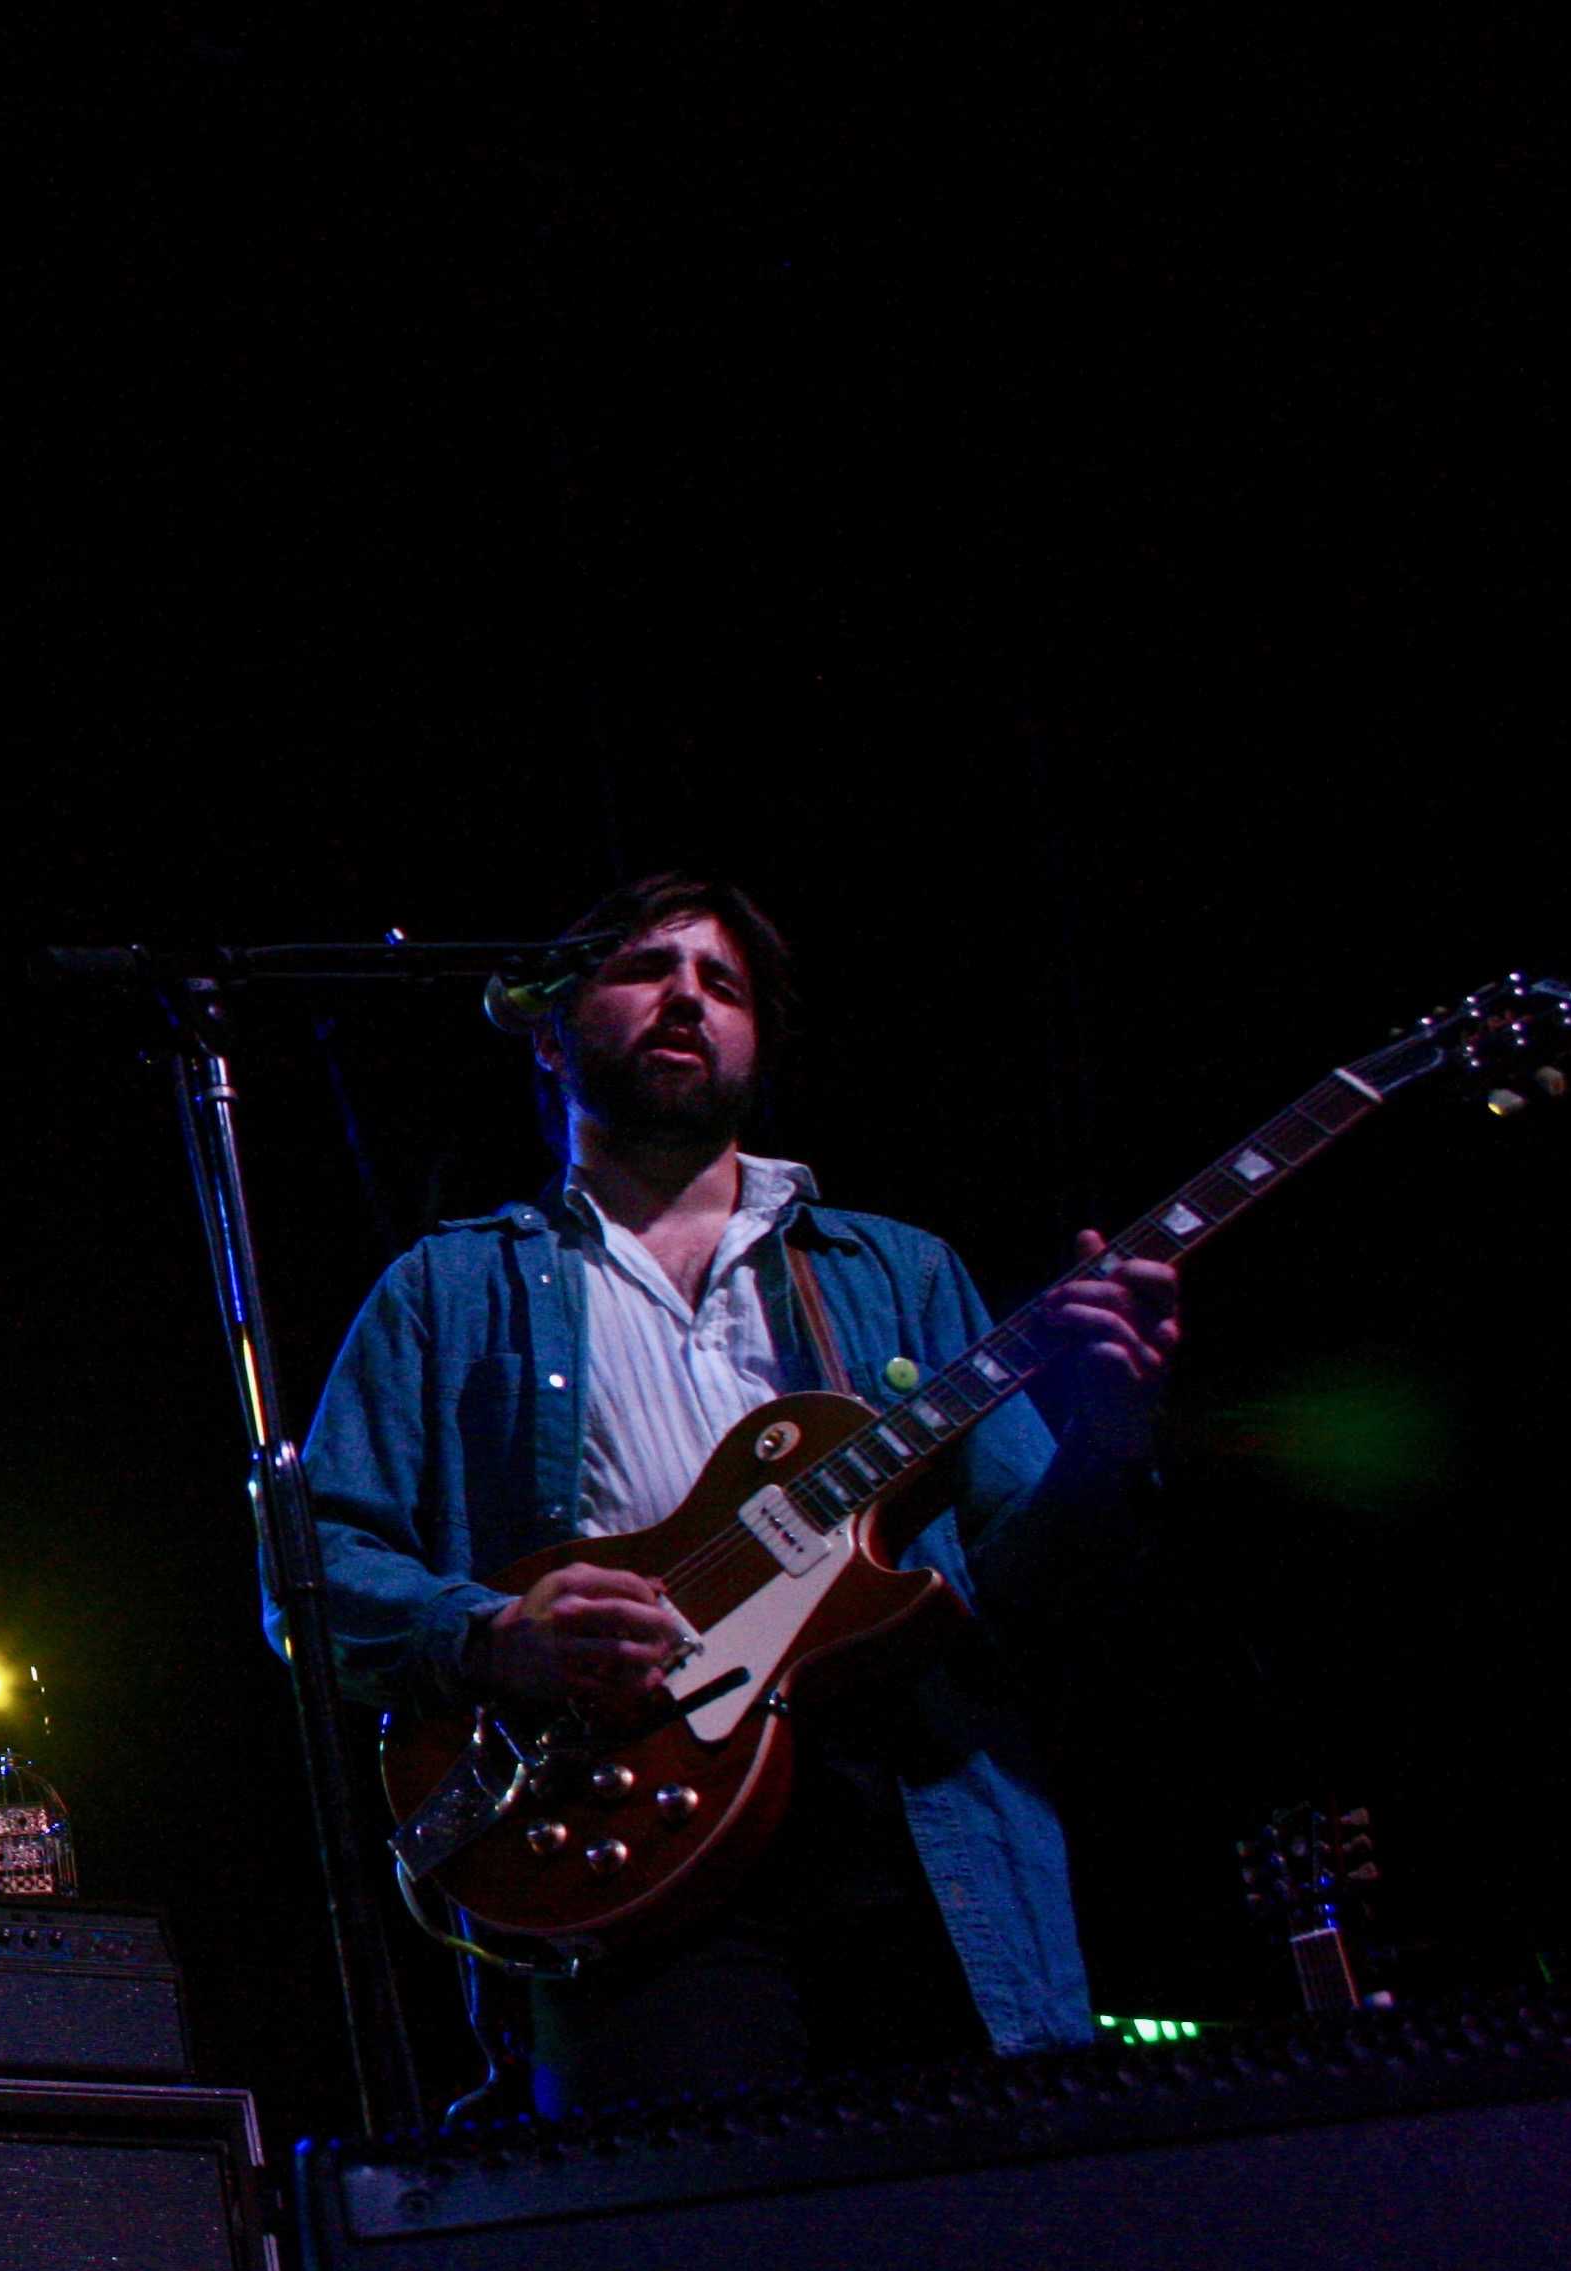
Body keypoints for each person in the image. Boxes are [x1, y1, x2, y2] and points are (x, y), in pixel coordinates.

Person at [300, 873, 1180, 2113]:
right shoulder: (446, 1293)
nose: (687, 1000)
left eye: (723, 984)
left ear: (757, 1044)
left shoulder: (900, 1271)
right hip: (638, 1860)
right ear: (550, 1030)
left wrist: (1108, 1433)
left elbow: (1038, 1598)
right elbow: (317, 1571)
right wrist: (498, 1636)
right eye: (647, 969)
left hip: (922, 1844)